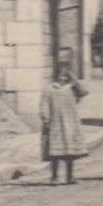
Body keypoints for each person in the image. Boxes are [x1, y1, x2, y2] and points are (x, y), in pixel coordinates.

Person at [40, 47, 88, 185]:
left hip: (70, 124)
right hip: (55, 124)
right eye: (61, 76)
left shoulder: (72, 88)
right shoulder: (50, 89)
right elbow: (44, 104)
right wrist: (46, 119)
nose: (63, 79)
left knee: (69, 152)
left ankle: (70, 175)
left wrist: (74, 80)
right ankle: (54, 176)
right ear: (55, 76)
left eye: (65, 77)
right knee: (55, 152)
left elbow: (84, 91)